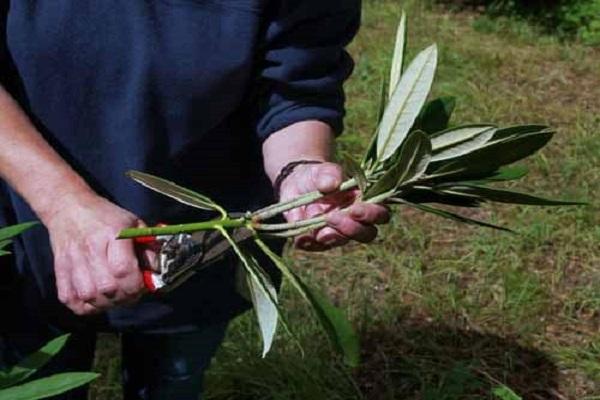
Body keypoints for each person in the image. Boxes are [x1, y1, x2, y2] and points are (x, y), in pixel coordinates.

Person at [0, 0, 389, 399]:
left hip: (203, 256)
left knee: (174, 379)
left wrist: (300, 170)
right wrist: (62, 203)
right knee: (36, 379)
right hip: (23, 233)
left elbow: (296, 86)